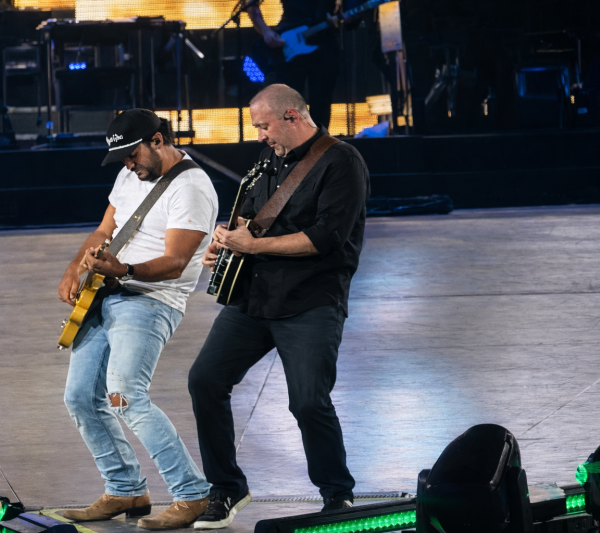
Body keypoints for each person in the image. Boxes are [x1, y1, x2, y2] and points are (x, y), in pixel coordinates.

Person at [188, 84, 370, 529]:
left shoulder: (342, 161)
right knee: (205, 380)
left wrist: (253, 245)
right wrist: (225, 240)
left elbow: (325, 238)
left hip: (310, 302)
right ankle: (227, 488)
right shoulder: (269, 160)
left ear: (292, 116)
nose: (260, 136)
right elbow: (251, 220)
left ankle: (337, 495)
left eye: (263, 126)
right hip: (254, 298)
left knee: (308, 402)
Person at [59, 109, 218, 530]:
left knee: (125, 395)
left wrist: (124, 270)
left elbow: (176, 262)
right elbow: (105, 230)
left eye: (132, 155)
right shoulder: (130, 175)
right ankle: (124, 488)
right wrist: (76, 265)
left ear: (157, 140)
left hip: (151, 300)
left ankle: (192, 493)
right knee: (80, 397)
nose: (128, 165)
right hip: (106, 293)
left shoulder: (191, 188)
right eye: (122, 159)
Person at [247, 0, 357, 130]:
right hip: (290, 40)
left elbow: (347, 10)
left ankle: (318, 140)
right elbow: (251, 4)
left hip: (325, 42)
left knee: (321, 100)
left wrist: (348, 16)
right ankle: (291, 139)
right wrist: (266, 31)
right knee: (288, 101)